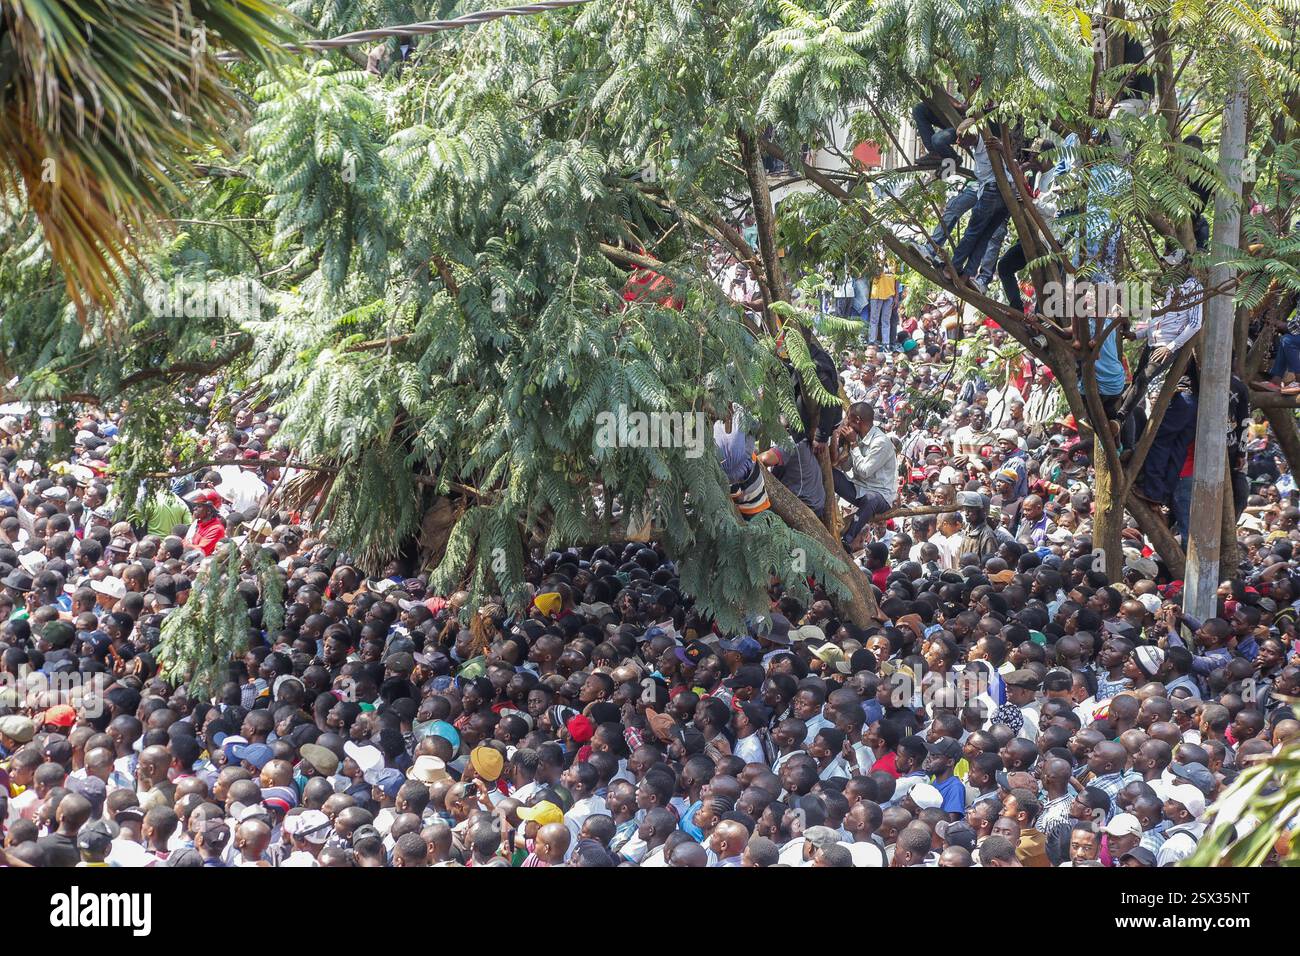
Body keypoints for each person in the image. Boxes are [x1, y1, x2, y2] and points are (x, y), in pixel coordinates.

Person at [830, 403, 898, 551]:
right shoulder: (856, 436)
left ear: (857, 420)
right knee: (830, 475)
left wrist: (853, 444)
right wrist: (840, 441)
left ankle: (847, 539)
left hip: (881, 495)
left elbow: (864, 471)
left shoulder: (880, 442)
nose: (846, 422)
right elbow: (846, 467)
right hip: (858, 488)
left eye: (848, 419)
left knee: (870, 499)